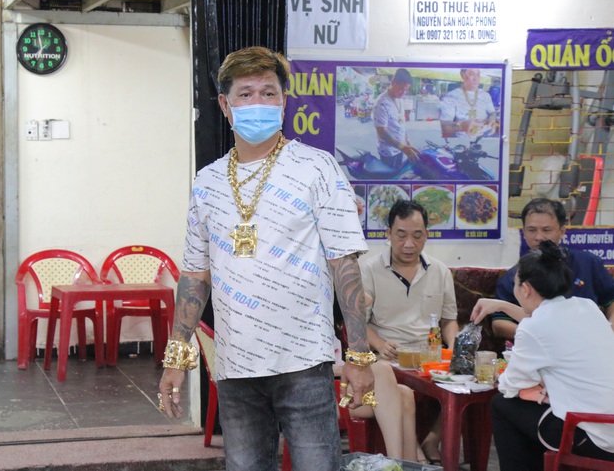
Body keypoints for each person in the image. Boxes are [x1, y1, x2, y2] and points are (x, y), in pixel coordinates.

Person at [157, 46, 375, 471]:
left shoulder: (318, 168)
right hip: (235, 363)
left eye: (269, 93)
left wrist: (359, 356)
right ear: (224, 104)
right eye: (246, 94)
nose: (258, 103)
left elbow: (344, 266)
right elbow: (195, 275)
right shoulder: (207, 182)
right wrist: (176, 355)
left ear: (284, 101)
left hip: (305, 362)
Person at [475, 240, 614, 471]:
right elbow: (544, 320)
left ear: (526, 288)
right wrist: (503, 306)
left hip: (594, 438)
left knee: (502, 405)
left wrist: (537, 391)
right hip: (609, 427)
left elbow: (510, 386)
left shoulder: (534, 328)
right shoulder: (587, 307)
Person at [361, 199, 459, 464]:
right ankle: (414, 455)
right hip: (389, 356)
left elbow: (449, 319)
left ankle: (431, 440)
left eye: (417, 236)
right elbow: (358, 320)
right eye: (401, 235)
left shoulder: (439, 271)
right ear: (388, 234)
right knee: (391, 381)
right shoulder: (369, 268)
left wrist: (456, 347)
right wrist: (380, 344)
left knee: (465, 383)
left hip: (430, 355)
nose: (409, 244)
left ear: (427, 234)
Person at [475, 198, 614, 340]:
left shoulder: (587, 263)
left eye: (546, 230)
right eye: (531, 230)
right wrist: (539, 336)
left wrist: (610, 330)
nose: (539, 237)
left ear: (562, 231)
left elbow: (611, 300)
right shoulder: (516, 274)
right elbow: (500, 323)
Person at [372, 68, 419, 168]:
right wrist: (403, 147)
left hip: (400, 149)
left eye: (406, 89)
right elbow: (382, 132)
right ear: (393, 82)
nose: (403, 93)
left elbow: (401, 122)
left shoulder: (399, 99)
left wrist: (407, 141)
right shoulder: (382, 103)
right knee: (390, 179)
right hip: (388, 153)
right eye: (400, 89)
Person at [440, 68, 497, 138]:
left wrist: (492, 118)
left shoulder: (485, 95)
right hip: (462, 139)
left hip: (486, 136)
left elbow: (492, 112)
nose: (476, 79)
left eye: (478, 75)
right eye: (472, 74)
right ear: (462, 75)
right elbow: (444, 125)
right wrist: (462, 126)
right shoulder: (451, 96)